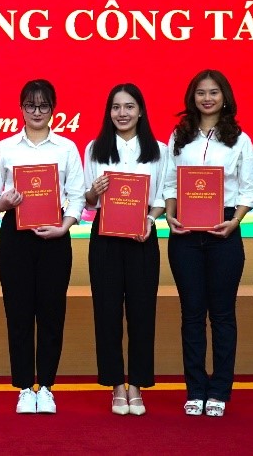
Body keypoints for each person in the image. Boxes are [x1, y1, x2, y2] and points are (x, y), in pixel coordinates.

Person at [0, 79, 84, 415]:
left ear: (53, 109)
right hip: (16, 235)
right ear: (21, 108)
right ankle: (26, 387)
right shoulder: (6, 147)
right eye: (30, 106)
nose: (37, 112)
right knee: (19, 311)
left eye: (43, 106)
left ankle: (48, 387)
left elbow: (77, 195)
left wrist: (64, 227)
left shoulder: (66, 148)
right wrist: (2, 203)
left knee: (52, 311)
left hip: (56, 235)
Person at [161, 70, 253, 418]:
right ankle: (196, 389)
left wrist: (236, 221)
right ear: (192, 97)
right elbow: (170, 181)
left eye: (213, 92)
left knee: (222, 314)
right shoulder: (179, 136)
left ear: (224, 97)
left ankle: (219, 390)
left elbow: (249, 188)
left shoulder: (240, 139)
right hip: (185, 233)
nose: (207, 98)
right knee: (191, 314)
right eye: (201, 92)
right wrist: (170, 215)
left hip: (224, 231)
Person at [83, 83, 171, 417]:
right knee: (107, 312)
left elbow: (162, 195)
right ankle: (116, 386)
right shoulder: (95, 149)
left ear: (141, 111)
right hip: (105, 235)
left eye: (129, 106)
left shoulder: (159, 150)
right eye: (116, 107)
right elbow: (87, 200)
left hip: (142, 235)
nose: (123, 113)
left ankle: (136, 385)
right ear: (109, 112)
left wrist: (149, 219)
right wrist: (94, 190)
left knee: (142, 311)